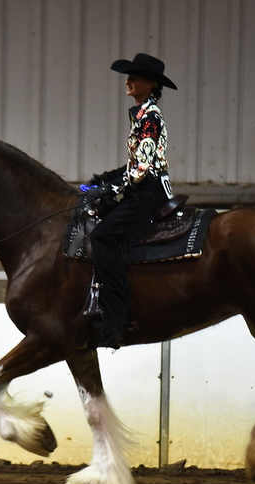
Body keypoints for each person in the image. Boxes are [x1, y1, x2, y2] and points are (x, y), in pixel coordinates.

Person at [82, 53, 177, 349]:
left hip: (149, 190)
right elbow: (135, 163)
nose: (129, 81)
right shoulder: (141, 114)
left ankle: (114, 314)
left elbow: (142, 168)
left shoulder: (150, 118)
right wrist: (104, 179)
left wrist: (110, 190)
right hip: (143, 185)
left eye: (134, 78)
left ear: (149, 84)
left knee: (103, 237)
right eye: (129, 77)